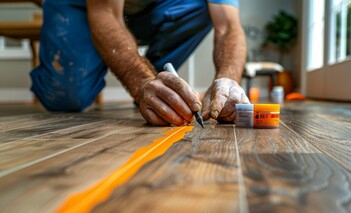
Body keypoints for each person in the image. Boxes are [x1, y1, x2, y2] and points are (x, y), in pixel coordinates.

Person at [30, 0, 250, 126]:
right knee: (67, 98)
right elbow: (105, 14)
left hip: (157, 7)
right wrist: (141, 83)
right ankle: (150, 89)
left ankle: (158, 90)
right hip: (85, 6)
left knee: (200, 7)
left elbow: (229, 26)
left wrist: (228, 78)